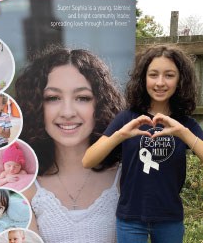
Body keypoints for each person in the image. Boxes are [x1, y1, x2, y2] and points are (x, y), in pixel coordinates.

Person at [82, 44, 203, 243]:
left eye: (169, 75)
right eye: (153, 75)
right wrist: (120, 135)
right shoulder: (127, 118)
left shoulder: (185, 124)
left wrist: (183, 133)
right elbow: (88, 160)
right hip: (130, 218)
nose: (160, 82)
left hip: (169, 219)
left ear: (180, 80)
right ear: (143, 78)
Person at [15, 45, 125, 243]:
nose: (67, 112)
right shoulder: (25, 187)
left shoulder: (124, 179)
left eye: (82, 98)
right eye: (53, 98)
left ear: (100, 104)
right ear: (36, 106)